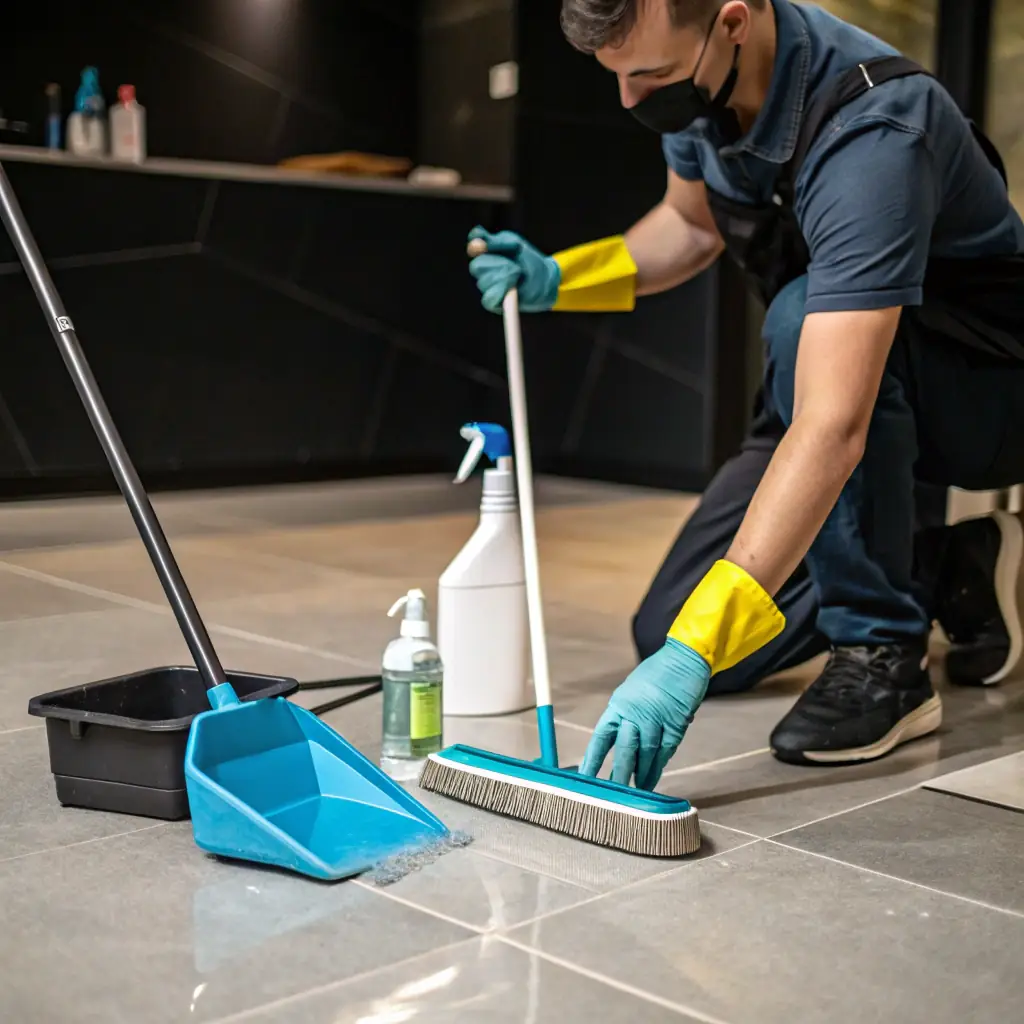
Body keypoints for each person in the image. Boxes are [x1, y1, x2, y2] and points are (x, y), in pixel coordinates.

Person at [466, 0, 1024, 790]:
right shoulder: (702, 93)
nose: (631, 101)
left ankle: (884, 654)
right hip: (824, 377)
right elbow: (689, 226)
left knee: (799, 322)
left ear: (732, 21)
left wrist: (698, 647)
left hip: (980, 391)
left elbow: (833, 429)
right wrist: (561, 278)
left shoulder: (874, 128)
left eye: (649, 76)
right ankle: (952, 566)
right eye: (616, 78)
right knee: (670, 629)